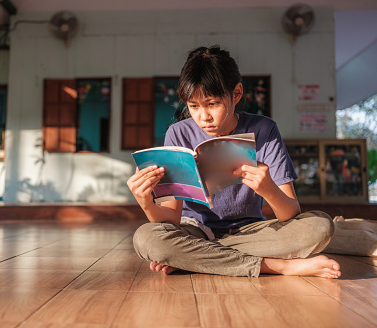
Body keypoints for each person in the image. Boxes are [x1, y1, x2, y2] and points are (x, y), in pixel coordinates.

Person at [127, 45, 341, 278]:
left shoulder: (264, 130)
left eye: (212, 104)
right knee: (147, 239)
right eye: (193, 106)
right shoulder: (178, 134)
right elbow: (171, 219)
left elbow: (290, 212)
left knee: (319, 226)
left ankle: (195, 259)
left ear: (236, 93)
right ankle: (277, 266)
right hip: (195, 231)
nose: (203, 117)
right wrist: (146, 202)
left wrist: (268, 189)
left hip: (251, 232)